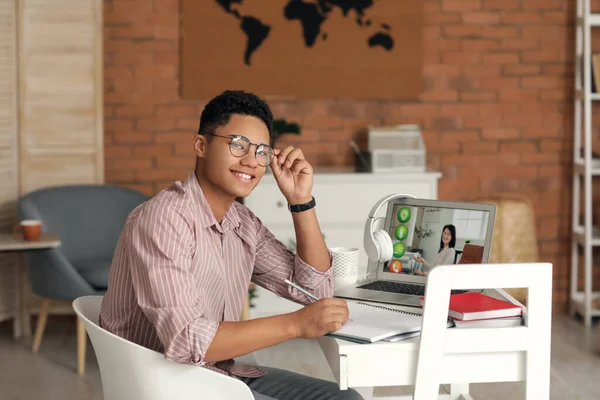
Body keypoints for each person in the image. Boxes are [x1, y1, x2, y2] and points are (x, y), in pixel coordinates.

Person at [99, 90, 363, 400]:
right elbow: (187, 340)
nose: (251, 161)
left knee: (347, 399)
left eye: (262, 151)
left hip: (220, 373)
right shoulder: (164, 219)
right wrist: (295, 325)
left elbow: (315, 291)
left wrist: (300, 200)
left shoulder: (242, 223)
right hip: (167, 383)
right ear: (201, 145)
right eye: (238, 145)